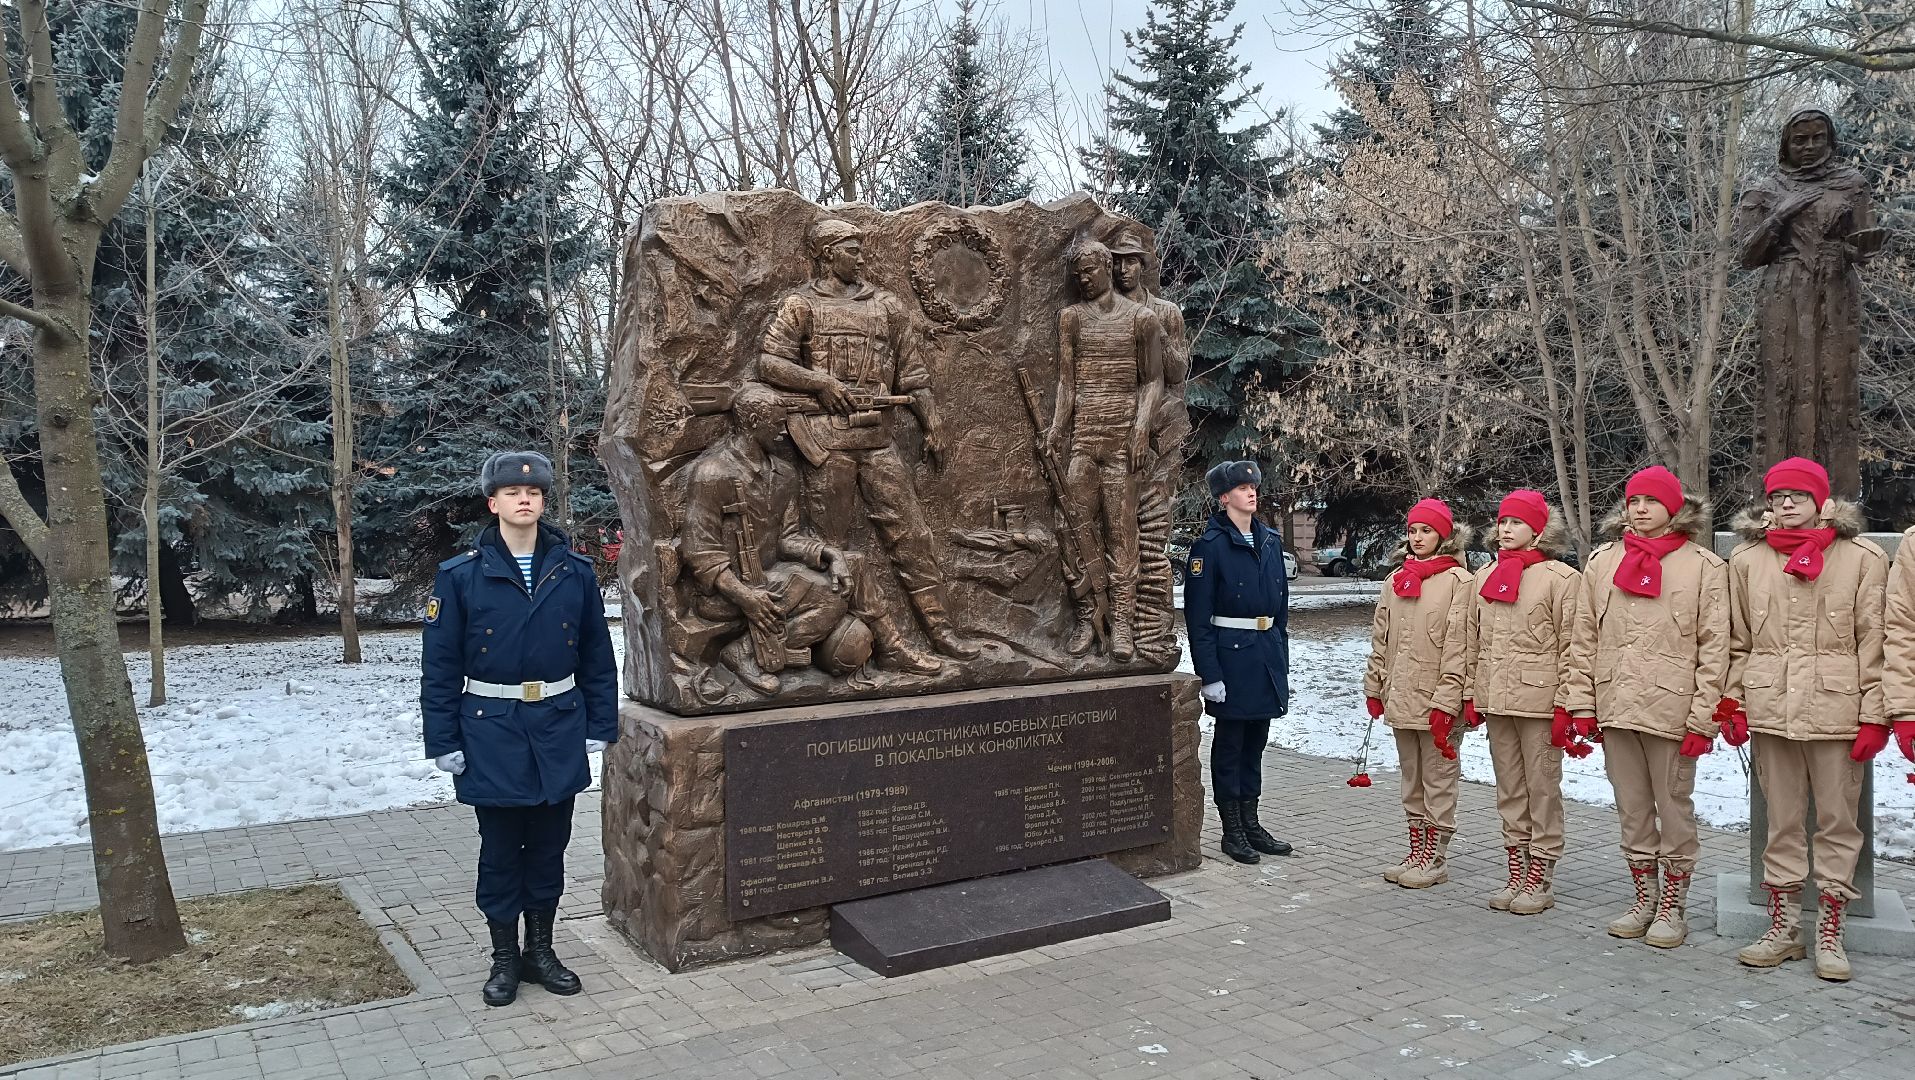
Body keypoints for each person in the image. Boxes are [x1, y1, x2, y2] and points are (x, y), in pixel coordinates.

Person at [421, 452, 619, 1007]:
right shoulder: (460, 576)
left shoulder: (574, 572)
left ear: (542, 502)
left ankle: (541, 952)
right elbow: (439, 668)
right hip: (492, 731)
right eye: (510, 493)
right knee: (502, 850)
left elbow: (598, 661)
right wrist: (443, 740)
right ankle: (504, 959)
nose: (522, 499)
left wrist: (600, 724)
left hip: (558, 726)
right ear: (494, 504)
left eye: (531, 493)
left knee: (550, 848)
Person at [758, 218, 975, 666]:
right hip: (825, 444)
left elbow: (913, 376)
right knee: (828, 550)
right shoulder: (800, 305)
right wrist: (819, 383)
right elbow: (769, 363)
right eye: (852, 249)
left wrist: (932, 422)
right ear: (827, 254)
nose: (861, 257)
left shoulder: (888, 307)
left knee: (912, 535)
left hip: (877, 441)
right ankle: (837, 643)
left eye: (860, 249)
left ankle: (942, 632)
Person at [1725, 458, 1887, 981]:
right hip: (1772, 709)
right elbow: (1738, 641)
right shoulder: (1748, 561)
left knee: (1839, 823)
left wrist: (1874, 715)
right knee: (1782, 822)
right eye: (1777, 496)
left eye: (1797, 494)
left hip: (1837, 711)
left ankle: (1831, 931)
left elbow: (1876, 642)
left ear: (1822, 500)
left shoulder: (1861, 559)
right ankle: (1784, 927)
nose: (1787, 503)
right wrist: (1732, 703)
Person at [1565, 466, 1727, 950]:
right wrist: (1581, 704)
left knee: (1673, 808)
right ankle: (1643, 896)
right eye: (1633, 501)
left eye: (1651, 502)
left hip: (1671, 710)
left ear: (1674, 508)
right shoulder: (1602, 562)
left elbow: (1715, 648)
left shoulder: (1704, 567)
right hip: (1615, 704)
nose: (1639, 509)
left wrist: (1704, 717)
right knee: (1632, 808)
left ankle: (1673, 905)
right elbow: (1583, 637)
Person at [1463, 490, 1580, 915]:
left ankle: (1541, 874)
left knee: (1542, 789)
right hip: (1497, 701)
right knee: (1510, 789)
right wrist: (1471, 693)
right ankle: (1517, 865)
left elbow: (1573, 646)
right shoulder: (1484, 576)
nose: (1505, 529)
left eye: (1515, 522)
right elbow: (1472, 641)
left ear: (1538, 530)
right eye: (1502, 522)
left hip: (1540, 702)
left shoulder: (1560, 579)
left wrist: (1567, 705)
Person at [1047, 239, 1164, 661]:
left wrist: (1139, 431)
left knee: (1121, 534)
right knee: (1070, 527)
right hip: (1084, 439)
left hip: (1121, 443)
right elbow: (1067, 381)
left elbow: (1153, 382)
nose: (1082, 280)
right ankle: (1085, 616)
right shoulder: (1070, 319)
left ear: (1107, 269)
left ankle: (1124, 626)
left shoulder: (1142, 320)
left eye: (1089, 272)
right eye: (1076, 275)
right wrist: (1058, 427)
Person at [1184, 459, 1292, 864]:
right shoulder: (1209, 547)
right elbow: (1198, 618)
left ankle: (1251, 822)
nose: (1252, 492)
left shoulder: (1269, 540)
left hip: (1263, 656)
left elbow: (1281, 609)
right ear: (1224, 497)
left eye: (1254, 486)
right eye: (1243, 487)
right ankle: (1232, 830)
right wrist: (1209, 674)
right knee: (1231, 745)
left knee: (1256, 743)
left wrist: (1280, 657)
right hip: (1230, 659)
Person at [1363, 498, 1473, 889]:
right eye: (1412, 531)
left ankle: (1437, 856)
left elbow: (1461, 646)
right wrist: (1375, 687)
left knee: (1439, 778)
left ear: (1444, 535)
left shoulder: (1460, 582)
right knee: (1412, 777)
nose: (1417, 538)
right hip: (1401, 695)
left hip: (1437, 700)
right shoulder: (1396, 581)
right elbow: (1382, 639)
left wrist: (1448, 702)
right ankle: (1417, 848)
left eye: (1426, 531)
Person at [1110, 230, 1188, 661]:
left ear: (1144, 265)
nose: (1124, 269)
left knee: (1152, 539)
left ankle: (1153, 634)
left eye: (1131, 261)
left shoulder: (1165, 312)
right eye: (1117, 261)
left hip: (1159, 440)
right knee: (1120, 539)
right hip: (1115, 436)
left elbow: (1176, 373)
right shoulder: (1104, 313)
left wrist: (1153, 330)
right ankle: (1121, 630)